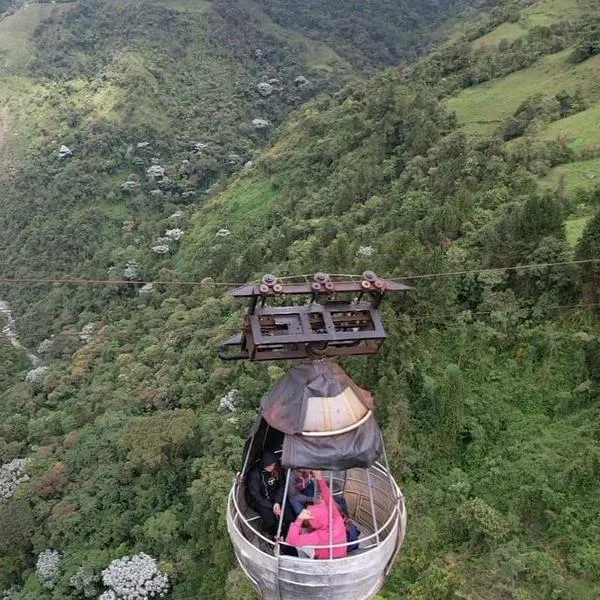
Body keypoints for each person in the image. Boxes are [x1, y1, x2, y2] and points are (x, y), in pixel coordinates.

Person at [285, 470, 348, 559]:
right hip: (340, 555)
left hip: (324, 561)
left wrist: (299, 520)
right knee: (304, 532)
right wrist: (319, 479)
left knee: (299, 544)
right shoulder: (336, 517)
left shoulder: (319, 536)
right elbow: (328, 498)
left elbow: (291, 540)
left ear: (315, 524)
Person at [246, 450, 293, 538]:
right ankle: (268, 532)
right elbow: (256, 496)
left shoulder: (277, 467)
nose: (271, 467)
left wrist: (277, 502)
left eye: (273, 464)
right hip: (261, 500)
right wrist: (272, 506)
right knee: (270, 520)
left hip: (276, 497)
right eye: (268, 466)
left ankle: (287, 533)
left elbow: (282, 485)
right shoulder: (254, 474)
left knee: (288, 514)